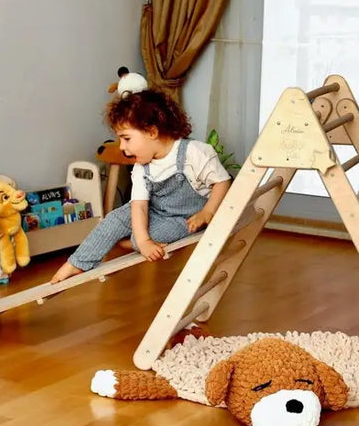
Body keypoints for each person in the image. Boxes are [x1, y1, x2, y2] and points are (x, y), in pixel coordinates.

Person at [50, 89, 233, 284]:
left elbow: (222, 181)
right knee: (115, 218)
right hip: (155, 211)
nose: (121, 146)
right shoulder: (141, 167)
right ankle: (78, 262)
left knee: (142, 238)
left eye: (126, 138)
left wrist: (207, 212)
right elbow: (139, 206)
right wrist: (145, 241)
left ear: (152, 132)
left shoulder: (194, 152)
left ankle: (132, 242)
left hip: (185, 218)